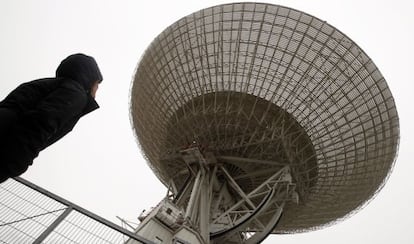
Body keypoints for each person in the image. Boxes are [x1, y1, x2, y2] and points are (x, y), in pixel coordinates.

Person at [0, 53, 103, 183]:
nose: (97, 90)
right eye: (97, 84)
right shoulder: (75, 93)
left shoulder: (54, 85)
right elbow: (41, 121)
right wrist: (16, 162)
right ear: (90, 80)